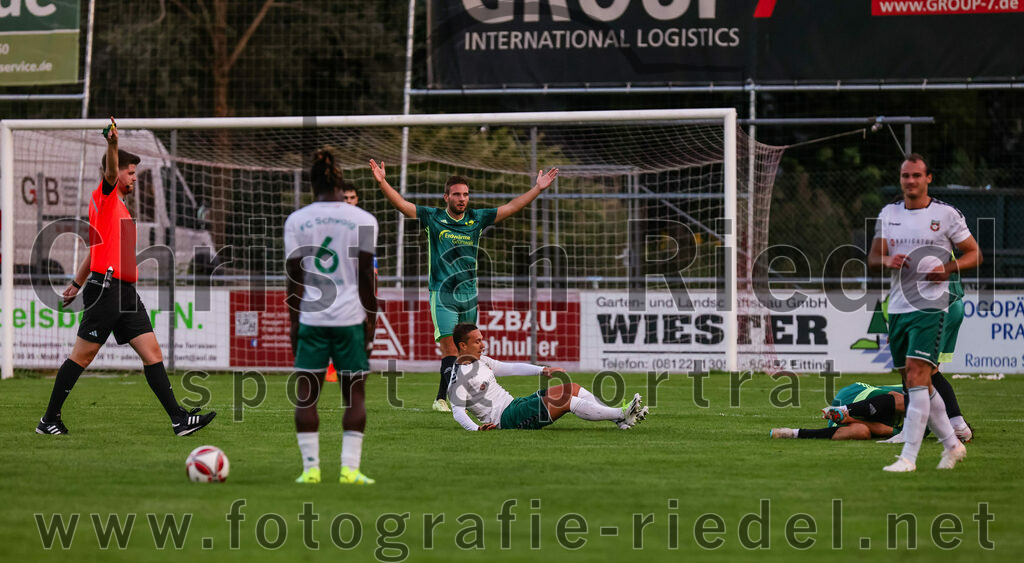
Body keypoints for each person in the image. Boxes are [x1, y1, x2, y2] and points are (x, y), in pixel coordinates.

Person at [36, 117, 216, 436]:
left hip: (125, 292)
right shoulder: (104, 198)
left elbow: (95, 250)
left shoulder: (119, 208)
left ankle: (178, 419)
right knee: (84, 355)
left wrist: (76, 283)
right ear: (115, 173)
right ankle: (49, 419)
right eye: (130, 173)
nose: (133, 178)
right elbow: (109, 172)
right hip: (106, 289)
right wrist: (113, 143)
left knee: (152, 353)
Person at [369, 159, 559, 413]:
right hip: (442, 293)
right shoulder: (433, 217)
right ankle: (441, 399)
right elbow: (403, 205)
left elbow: (511, 206)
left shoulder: (476, 219)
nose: (462, 199)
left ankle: (465, 396)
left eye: (466, 194)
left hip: (469, 294)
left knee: (469, 351)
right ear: (446, 196)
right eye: (457, 194)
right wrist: (382, 182)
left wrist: (537, 189)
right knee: (449, 345)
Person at [867, 153, 981, 472]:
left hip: (932, 304)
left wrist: (948, 267)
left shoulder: (945, 214)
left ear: (929, 178)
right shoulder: (889, 213)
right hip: (900, 305)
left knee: (919, 375)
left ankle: (908, 457)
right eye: (906, 176)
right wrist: (886, 261)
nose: (911, 181)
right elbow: (873, 257)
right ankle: (953, 443)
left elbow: (974, 253)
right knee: (914, 381)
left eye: (917, 175)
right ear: (900, 179)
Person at [286, 149, 379, 485]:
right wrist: (372, 319)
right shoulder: (364, 219)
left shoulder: (296, 220)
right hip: (350, 319)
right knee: (354, 396)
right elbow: (367, 277)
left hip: (311, 318)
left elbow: (294, 277)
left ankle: (310, 471)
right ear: (342, 185)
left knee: (306, 395)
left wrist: (294, 324)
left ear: (312, 185)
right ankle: (349, 470)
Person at [447, 323, 647, 431]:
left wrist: (542, 370)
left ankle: (620, 422)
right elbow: (458, 412)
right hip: (505, 419)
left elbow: (510, 368)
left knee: (572, 388)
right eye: (477, 342)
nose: (483, 345)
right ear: (463, 346)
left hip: (514, 405)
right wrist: (477, 429)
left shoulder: (481, 361)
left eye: (482, 340)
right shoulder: (458, 378)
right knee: (565, 400)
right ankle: (621, 413)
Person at [771, 382, 906, 441]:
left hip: (857, 420)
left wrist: (850, 419)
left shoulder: (922, 431)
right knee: (903, 402)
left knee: (861, 432)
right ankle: (844, 409)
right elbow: (893, 397)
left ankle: (793, 433)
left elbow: (886, 431)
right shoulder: (921, 392)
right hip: (857, 395)